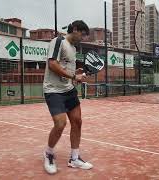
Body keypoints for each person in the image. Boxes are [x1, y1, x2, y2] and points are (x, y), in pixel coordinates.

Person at [42, 20, 92, 174]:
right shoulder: (58, 41)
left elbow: (66, 69)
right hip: (53, 90)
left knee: (77, 121)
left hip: (68, 90)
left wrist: (74, 73)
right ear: (75, 29)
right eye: (82, 35)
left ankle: (75, 158)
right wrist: (72, 75)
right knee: (60, 124)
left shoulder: (73, 48)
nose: (82, 38)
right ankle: (49, 154)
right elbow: (52, 64)